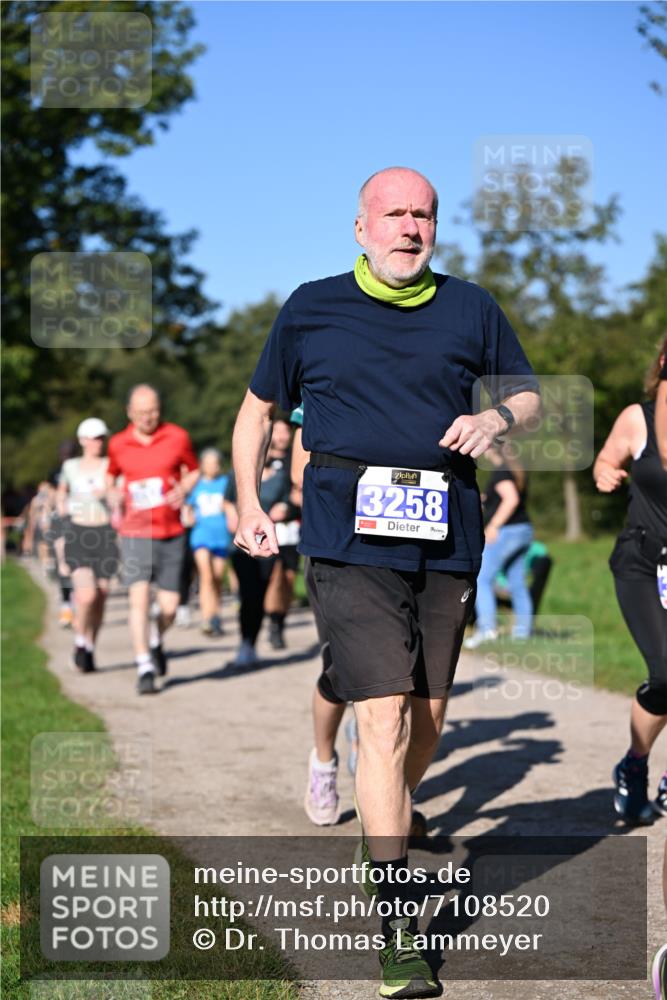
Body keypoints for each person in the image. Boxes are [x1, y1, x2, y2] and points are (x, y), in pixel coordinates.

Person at [230, 166, 540, 998]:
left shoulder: (471, 307)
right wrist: (249, 502)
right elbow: (257, 410)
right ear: (361, 228)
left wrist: (493, 417)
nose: (410, 226)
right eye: (393, 213)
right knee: (384, 715)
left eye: (423, 215)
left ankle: (384, 819)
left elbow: (530, 396)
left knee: (428, 719)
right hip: (345, 527)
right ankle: (397, 927)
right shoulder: (311, 306)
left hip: (445, 534)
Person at [593, 338, 667, 825]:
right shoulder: (638, 418)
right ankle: (635, 763)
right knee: (666, 673)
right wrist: (605, 475)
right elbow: (606, 460)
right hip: (643, 563)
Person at [106, 385, 199, 695]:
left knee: (170, 606)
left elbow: (194, 471)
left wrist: (184, 489)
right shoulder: (118, 444)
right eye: (142, 412)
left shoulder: (177, 436)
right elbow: (110, 477)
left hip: (171, 531)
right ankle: (144, 664)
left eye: (154, 411)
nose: (149, 417)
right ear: (130, 412)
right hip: (135, 531)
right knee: (139, 598)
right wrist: (112, 493)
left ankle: (156, 638)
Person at [223, 430, 291, 667]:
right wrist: (233, 516)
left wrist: (281, 510)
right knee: (247, 593)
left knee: (260, 594)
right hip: (242, 544)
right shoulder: (239, 475)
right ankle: (245, 643)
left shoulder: (280, 479)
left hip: (267, 544)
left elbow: (286, 502)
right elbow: (228, 501)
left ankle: (251, 642)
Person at [56, 417, 118, 672]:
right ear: (82, 440)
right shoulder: (70, 466)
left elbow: (117, 494)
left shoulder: (110, 465)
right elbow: (62, 492)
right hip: (78, 532)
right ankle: (80, 641)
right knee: (87, 594)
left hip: (104, 533)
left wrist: (109, 495)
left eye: (101, 438)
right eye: (93, 438)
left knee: (101, 596)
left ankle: (90, 645)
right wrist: (62, 505)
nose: (97, 443)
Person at [464, 443, 533, 648]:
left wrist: (494, 525)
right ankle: (523, 633)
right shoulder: (513, 470)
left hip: (507, 532)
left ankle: (487, 629)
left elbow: (510, 499)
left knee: (482, 578)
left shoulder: (502, 472)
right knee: (517, 582)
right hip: (523, 530)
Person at [184, 448, 231, 636]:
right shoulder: (196, 485)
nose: (213, 467)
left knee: (218, 578)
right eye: (209, 463)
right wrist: (188, 516)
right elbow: (187, 506)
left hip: (221, 535)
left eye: (216, 463)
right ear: (202, 465)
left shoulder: (225, 483)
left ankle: (216, 615)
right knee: (206, 575)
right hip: (201, 535)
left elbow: (231, 505)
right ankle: (206, 618)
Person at [263, 418, 299, 649]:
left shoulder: (293, 459)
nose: (282, 436)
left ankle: (280, 619)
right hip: (267, 528)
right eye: (277, 431)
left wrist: (289, 507)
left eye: (286, 431)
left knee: (288, 579)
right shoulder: (261, 458)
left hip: (292, 527)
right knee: (273, 575)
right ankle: (272, 621)